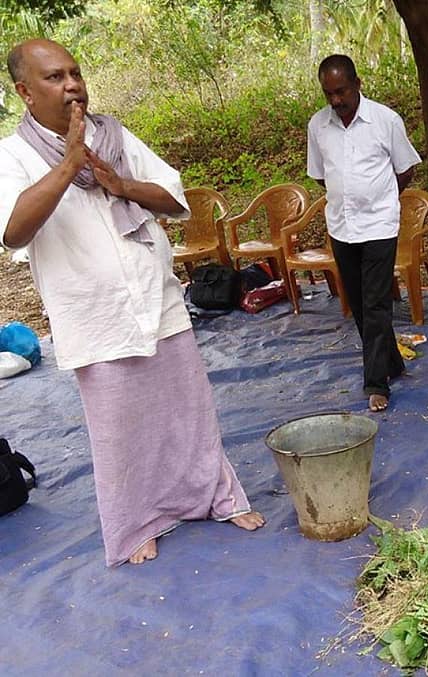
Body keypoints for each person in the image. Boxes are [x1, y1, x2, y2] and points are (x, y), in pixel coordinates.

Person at [0, 39, 265, 566]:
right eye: (55, 77)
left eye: (75, 72)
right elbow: (13, 230)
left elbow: (174, 200)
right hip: (94, 314)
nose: (73, 84)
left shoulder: (114, 135)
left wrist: (119, 182)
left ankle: (214, 496)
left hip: (156, 299)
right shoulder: (13, 155)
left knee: (188, 412)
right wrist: (68, 163)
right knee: (122, 431)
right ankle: (138, 521)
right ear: (25, 92)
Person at [307, 54, 421, 413]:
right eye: (329, 94)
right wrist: (349, 196)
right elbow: (319, 174)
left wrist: (380, 198)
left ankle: (376, 382)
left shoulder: (385, 120)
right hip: (342, 225)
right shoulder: (318, 126)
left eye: (341, 91)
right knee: (357, 303)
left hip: (379, 225)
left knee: (375, 304)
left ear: (357, 84)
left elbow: (405, 170)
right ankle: (393, 362)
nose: (336, 100)